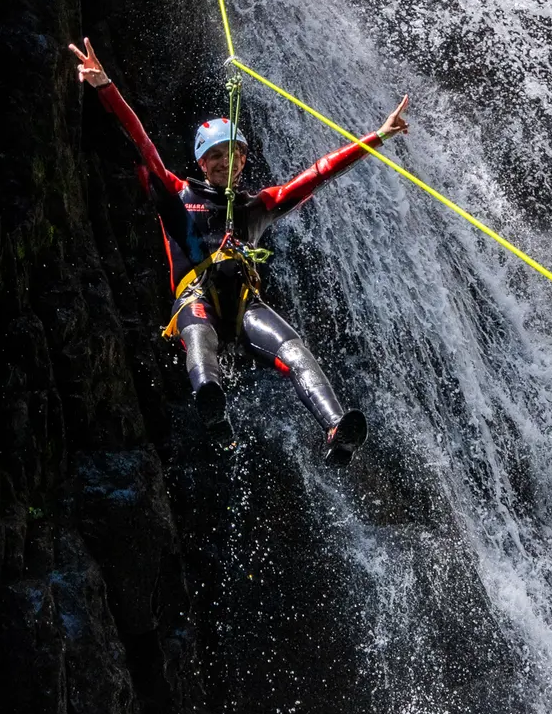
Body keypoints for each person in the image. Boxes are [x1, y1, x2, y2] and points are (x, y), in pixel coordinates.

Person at [69, 38, 409, 465]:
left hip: (247, 306)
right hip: (196, 300)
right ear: (201, 162)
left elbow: (316, 175)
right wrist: (104, 85)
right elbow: (141, 143)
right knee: (198, 334)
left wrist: (377, 137)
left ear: (244, 161)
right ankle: (211, 403)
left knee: (294, 350)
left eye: (233, 154)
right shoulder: (177, 193)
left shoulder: (255, 207)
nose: (224, 162)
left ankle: (336, 429)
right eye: (214, 156)